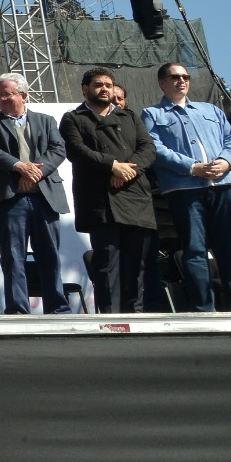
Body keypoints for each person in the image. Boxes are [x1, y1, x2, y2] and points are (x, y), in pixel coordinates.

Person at [141, 62, 231, 311]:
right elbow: (155, 148)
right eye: (175, 77)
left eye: (186, 76)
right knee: (194, 249)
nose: (182, 81)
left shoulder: (210, 109)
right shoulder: (152, 114)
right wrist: (192, 167)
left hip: (223, 184)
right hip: (184, 188)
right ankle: (204, 308)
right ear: (162, 82)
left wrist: (225, 162)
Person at [59, 67, 158, 313]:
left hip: (135, 198)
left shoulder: (130, 117)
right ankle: (110, 316)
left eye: (108, 84)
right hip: (101, 201)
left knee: (137, 264)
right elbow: (77, 151)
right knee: (107, 264)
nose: (104, 89)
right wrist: (112, 166)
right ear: (85, 89)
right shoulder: (73, 118)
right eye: (98, 84)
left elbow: (148, 149)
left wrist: (126, 172)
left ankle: (135, 314)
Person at [0, 72, 71, 314]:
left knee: (49, 255)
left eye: (7, 94)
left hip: (45, 197)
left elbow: (58, 149)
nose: (1, 99)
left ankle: (57, 308)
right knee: (13, 257)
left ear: (23, 95)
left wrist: (35, 172)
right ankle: (18, 310)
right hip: (11, 199)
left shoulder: (46, 120)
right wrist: (19, 166)